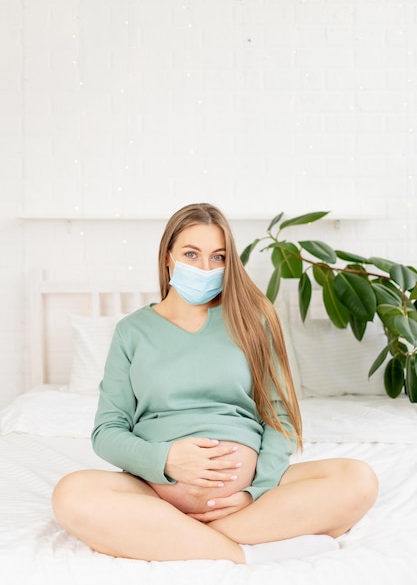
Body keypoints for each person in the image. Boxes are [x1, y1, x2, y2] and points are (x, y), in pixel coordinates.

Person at [52, 202, 378, 564]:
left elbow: (280, 417)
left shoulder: (252, 321)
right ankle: (248, 552)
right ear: (168, 258)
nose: (205, 268)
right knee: (71, 494)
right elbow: (107, 431)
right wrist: (167, 460)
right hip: (156, 491)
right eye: (191, 254)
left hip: (249, 496)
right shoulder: (132, 332)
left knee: (358, 478)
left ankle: (172, 536)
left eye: (217, 257)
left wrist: (255, 492)